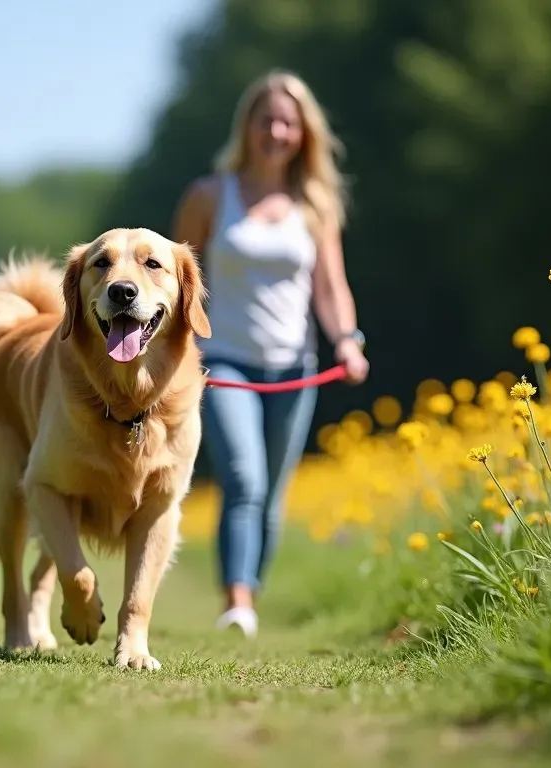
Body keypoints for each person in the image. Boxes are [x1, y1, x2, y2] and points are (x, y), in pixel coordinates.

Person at [171, 69, 370, 638]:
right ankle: (237, 602)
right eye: (267, 120)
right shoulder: (210, 197)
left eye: (288, 122)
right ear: (248, 127)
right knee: (244, 478)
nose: (277, 131)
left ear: (302, 134)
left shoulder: (314, 207)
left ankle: (249, 591)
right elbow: (172, 279)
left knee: (274, 496)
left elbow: (330, 287)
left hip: (295, 365)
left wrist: (347, 341)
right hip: (224, 359)